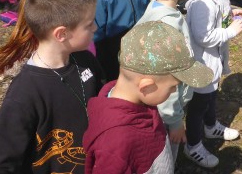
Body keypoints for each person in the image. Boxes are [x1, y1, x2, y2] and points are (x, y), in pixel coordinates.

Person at [0, 0, 100, 174]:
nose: (95, 28)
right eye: (89, 25)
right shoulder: (23, 94)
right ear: (61, 34)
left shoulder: (86, 61)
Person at [83, 21, 214, 174]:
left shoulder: (142, 100)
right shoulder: (116, 145)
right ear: (146, 86)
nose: (173, 91)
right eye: (173, 86)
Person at [183, 0, 242, 168]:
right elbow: (203, 35)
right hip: (201, 62)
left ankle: (211, 125)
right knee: (198, 105)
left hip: (212, 61)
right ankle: (193, 146)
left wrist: (231, 12)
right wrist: (231, 30)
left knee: (211, 96)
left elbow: (216, 15)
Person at [136, 0, 192, 161]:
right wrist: (175, 122)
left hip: (159, 107)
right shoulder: (167, 27)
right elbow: (163, 79)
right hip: (164, 113)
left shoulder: (154, 8)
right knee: (164, 156)